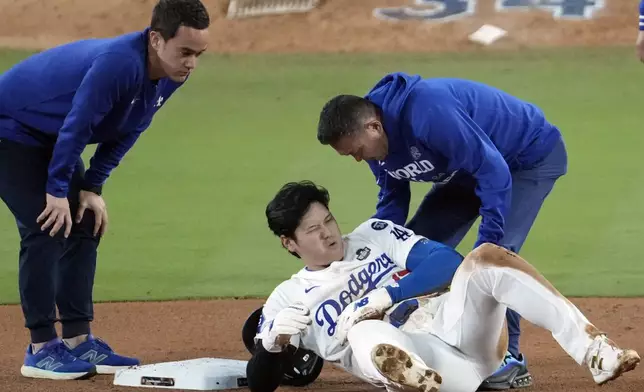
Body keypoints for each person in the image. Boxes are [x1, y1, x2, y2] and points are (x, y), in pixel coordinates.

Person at [245, 180, 640, 392]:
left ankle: (595, 351)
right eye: (313, 230)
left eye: (329, 220)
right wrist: (273, 343)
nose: (329, 234)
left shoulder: (373, 234)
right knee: (364, 327)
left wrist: (387, 294)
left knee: (485, 257)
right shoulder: (288, 299)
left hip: (459, 330)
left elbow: (448, 263)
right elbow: (261, 383)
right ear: (289, 242)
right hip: (422, 361)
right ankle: (412, 375)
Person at [315, 72, 569, 389]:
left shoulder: (427, 113)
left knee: (493, 262)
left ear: (373, 127)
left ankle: (509, 358)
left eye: (356, 150)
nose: (357, 158)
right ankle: (420, 336)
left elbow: (494, 171)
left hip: (526, 158)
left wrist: (485, 248)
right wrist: (375, 251)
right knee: (415, 249)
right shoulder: (371, 136)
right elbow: (393, 200)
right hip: (469, 169)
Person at [0, 0, 210, 381]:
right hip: (10, 127)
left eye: (198, 54)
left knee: (85, 221)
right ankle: (41, 349)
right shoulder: (119, 63)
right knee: (46, 224)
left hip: (51, 135)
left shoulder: (171, 73)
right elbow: (78, 127)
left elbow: (131, 128)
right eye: (185, 52)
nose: (191, 62)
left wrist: (91, 187)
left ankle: (79, 339)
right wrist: (56, 191)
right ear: (156, 39)